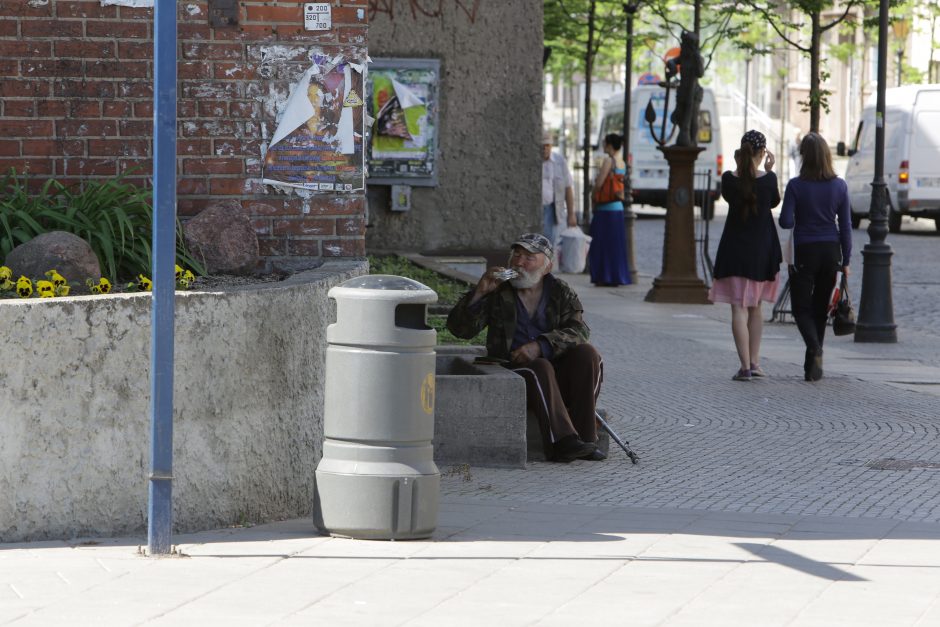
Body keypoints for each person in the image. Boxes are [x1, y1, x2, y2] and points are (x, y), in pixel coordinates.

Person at [446, 233, 605, 463]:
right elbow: (460, 331)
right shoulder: (498, 291)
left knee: (589, 355)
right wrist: (479, 293)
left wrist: (542, 345)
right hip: (514, 371)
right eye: (516, 256)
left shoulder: (561, 291)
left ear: (547, 266)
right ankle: (561, 443)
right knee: (539, 367)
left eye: (529, 257)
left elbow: (579, 331)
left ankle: (586, 440)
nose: (519, 263)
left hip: (554, 373)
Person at [708, 130, 782, 381]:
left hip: (735, 251)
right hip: (762, 252)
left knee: (738, 308)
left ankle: (744, 367)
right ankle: (755, 361)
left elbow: (733, 192)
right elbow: (773, 202)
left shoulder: (729, 179)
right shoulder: (769, 180)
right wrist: (770, 170)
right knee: (756, 308)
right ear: (763, 154)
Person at [779, 132, 852, 382]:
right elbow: (846, 226)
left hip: (805, 251)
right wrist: (847, 261)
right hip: (831, 251)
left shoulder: (796, 186)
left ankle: (814, 348)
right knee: (820, 308)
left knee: (801, 307)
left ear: (804, 158)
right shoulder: (839, 186)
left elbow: (786, 220)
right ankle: (813, 366)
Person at [588, 133, 631, 286]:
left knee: (601, 244)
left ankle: (603, 276)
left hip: (605, 209)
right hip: (617, 209)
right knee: (615, 246)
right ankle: (616, 276)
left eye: (605, 144)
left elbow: (599, 183)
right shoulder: (622, 162)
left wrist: (593, 195)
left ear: (610, 146)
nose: (604, 146)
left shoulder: (608, 161)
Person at [542, 131, 577, 244]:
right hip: (536, 210)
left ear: (551, 146)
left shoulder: (559, 161)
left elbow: (568, 187)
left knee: (550, 245)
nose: (544, 149)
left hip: (553, 210)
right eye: (542, 146)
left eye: (547, 145)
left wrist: (571, 214)